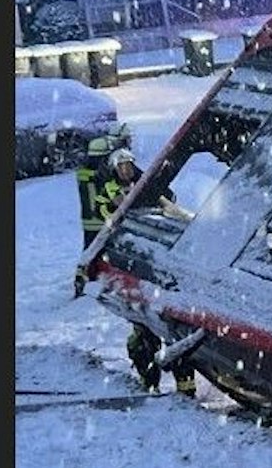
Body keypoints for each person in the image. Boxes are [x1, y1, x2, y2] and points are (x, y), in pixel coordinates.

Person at [79, 145, 199, 396]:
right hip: (130, 259)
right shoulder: (110, 189)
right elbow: (116, 209)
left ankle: (184, 387)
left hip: (155, 258)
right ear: (114, 168)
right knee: (144, 332)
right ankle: (149, 380)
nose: (126, 170)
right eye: (121, 166)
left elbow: (168, 201)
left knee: (172, 332)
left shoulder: (144, 181)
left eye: (129, 165)